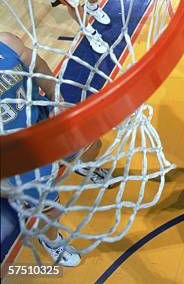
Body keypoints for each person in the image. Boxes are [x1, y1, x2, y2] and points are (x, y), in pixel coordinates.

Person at [0, 32, 107, 266]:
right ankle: (51, 240)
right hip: (14, 156)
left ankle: (77, 165)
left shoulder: (5, 42)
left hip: (42, 123)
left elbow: (36, 64)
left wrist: (55, 95)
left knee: (93, 141)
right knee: (49, 208)